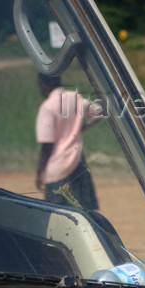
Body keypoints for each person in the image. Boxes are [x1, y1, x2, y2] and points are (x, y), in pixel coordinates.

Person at [35, 73, 101, 210]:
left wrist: (39, 171)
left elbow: (47, 144)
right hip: (77, 162)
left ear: (44, 84)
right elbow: (99, 111)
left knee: (57, 214)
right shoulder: (74, 97)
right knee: (85, 211)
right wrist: (82, 127)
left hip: (57, 168)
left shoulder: (47, 107)